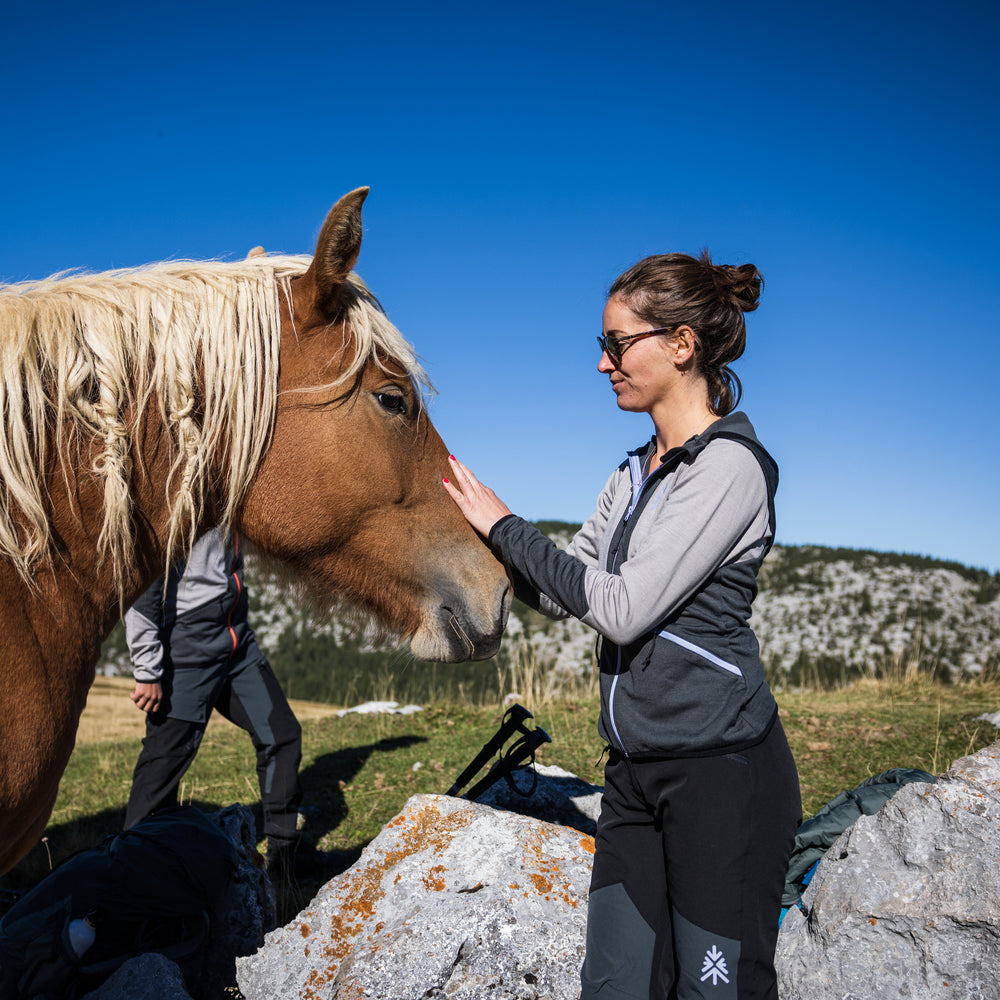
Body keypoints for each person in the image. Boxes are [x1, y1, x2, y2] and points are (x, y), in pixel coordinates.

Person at [443, 251, 802, 1000]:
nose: (603, 364)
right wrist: (472, 546)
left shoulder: (732, 467)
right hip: (632, 775)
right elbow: (564, 591)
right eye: (601, 345)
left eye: (616, 344)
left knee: (716, 990)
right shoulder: (631, 473)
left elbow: (622, 607)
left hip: (721, 777)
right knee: (613, 986)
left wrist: (506, 526)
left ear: (681, 344)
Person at [124, 526, 322, 881]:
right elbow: (143, 583)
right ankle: (131, 873)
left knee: (282, 734)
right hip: (187, 649)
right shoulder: (181, 499)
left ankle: (285, 856)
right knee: (163, 765)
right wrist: (148, 669)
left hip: (236, 639)